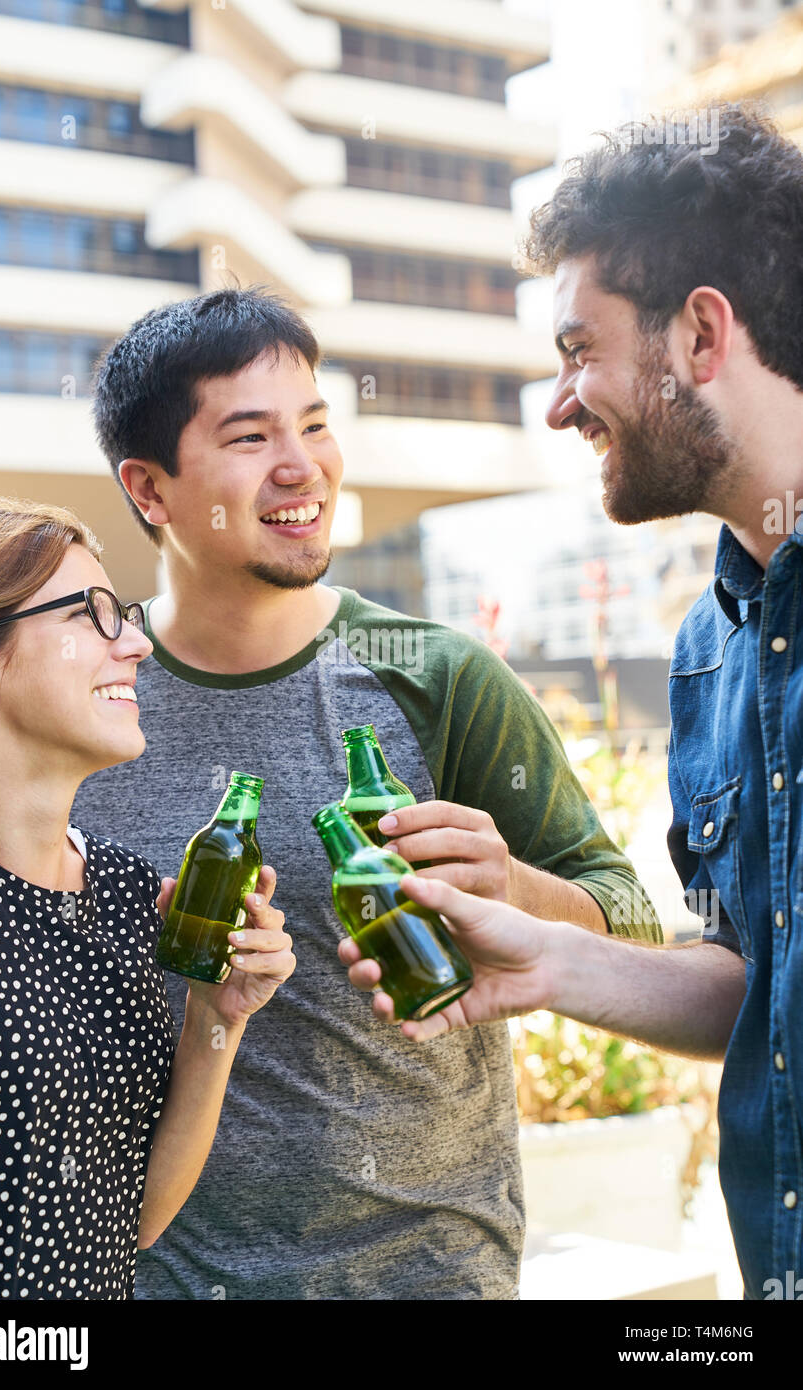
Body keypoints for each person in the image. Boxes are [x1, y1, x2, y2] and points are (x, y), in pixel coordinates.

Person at [71, 287, 659, 1301]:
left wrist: (509, 886)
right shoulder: (85, 692)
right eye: (250, 436)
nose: (303, 467)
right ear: (150, 487)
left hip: (425, 1277)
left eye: (314, 425)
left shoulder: (431, 673)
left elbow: (635, 927)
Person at [341, 101, 803, 1302]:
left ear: (699, 333)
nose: (557, 405)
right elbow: (755, 980)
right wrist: (544, 961)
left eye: (575, 350)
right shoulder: (710, 647)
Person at [0, 496, 294, 1300]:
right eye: (91, 615)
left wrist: (216, 1016)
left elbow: (120, 1223)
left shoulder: (131, 891)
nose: (135, 643)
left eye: (126, 614)